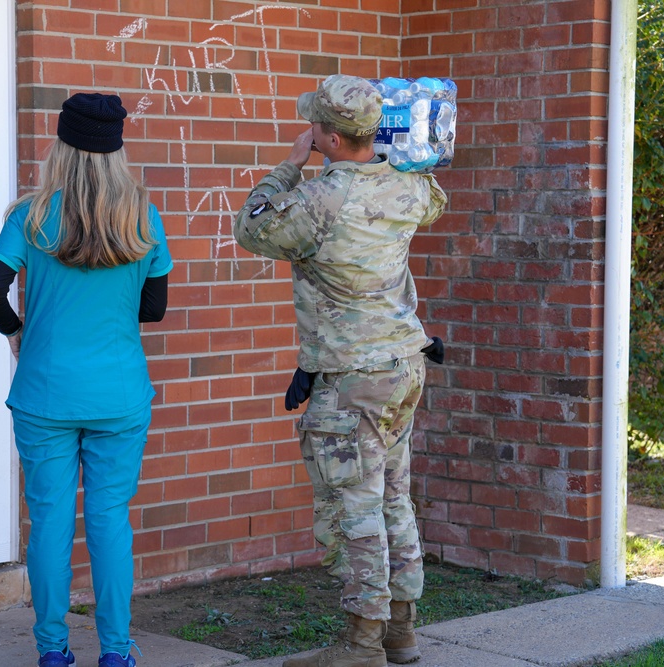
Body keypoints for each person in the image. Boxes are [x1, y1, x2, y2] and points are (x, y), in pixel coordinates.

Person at [233, 74, 447, 667]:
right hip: (403, 365)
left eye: (315, 128)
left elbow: (250, 227)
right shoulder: (406, 187)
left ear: (327, 134)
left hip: (352, 376)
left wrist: (287, 168)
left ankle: (359, 648)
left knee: (354, 507)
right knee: (393, 500)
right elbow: (432, 196)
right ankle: (400, 635)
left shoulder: (320, 199)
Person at [0, 92, 173, 667]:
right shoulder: (141, 214)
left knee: (50, 522)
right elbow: (154, 308)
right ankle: (116, 653)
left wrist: (19, 331)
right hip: (118, 393)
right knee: (110, 519)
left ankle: (53, 651)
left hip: (44, 392)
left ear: (62, 145)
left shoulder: (31, 215)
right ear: (116, 150)